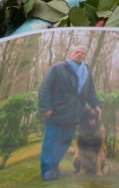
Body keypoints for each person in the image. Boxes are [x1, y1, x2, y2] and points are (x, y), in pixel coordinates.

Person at [38, 45, 101, 180]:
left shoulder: (87, 71)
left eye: (82, 53)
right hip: (55, 113)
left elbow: (90, 91)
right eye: (77, 52)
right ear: (69, 53)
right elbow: (44, 89)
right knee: (51, 143)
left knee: (64, 143)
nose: (79, 54)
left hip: (75, 115)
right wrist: (45, 108)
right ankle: (47, 172)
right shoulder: (58, 68)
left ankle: (54, 168)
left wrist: (95, 104)